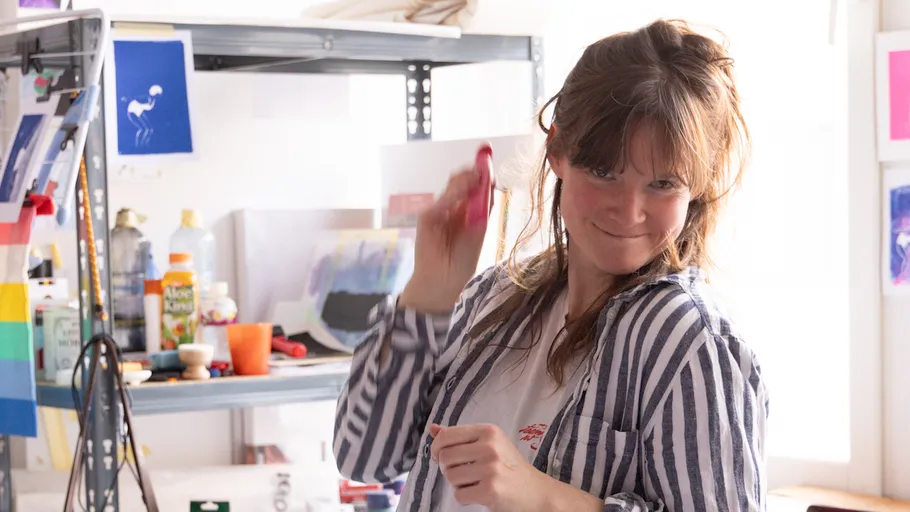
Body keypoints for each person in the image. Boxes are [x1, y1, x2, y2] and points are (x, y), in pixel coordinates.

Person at [334, 19, 768, 512]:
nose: (629, 211)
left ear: (699, 182)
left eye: (663, 183)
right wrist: (429, 292)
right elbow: (363, 458)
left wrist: (542, 497)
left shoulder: (690, 343)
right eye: (604, 172)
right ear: (557, 151)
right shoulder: (493, 297)